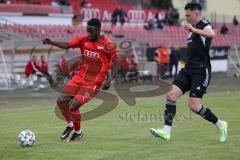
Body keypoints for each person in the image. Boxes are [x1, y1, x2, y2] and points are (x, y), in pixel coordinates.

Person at [150, 3, 228, 142]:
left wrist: (194, 29)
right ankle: (166, 131)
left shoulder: (204, 24)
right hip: (188, 68)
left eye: (188, 15)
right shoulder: (192, 29)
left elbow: (212, 34)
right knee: (171, 94)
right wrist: (192, 30)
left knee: (194, 106)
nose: (186, 18)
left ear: (196, 13)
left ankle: (220, 124)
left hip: (201, 71)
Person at [42, 18, 120, 142]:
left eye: (91, 31)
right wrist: (51, 42)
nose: (88, 34)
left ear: (99, 30)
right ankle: (70, 125)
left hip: (93, 82)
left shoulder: (107, 44)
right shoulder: (84, 39)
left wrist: (109, 79)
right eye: (87, 30)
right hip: (79, 77)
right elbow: (67, 45)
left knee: (74, 106)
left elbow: (117, 62)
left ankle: (78, 133)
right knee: (61, 100)